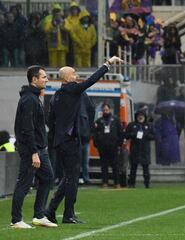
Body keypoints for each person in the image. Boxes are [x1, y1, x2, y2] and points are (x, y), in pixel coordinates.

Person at [45, 56, 123, 224]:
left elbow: (50, 120)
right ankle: (68, 214)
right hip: (69, 140)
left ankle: (51, 210)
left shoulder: (57, 95)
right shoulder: (72, 90)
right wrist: (108, 64)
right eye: (73, 73)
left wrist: (55, 138)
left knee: (68, 177)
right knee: (72, 178)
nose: (76, 75)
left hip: (60, 140)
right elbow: (91, 80)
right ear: (66, 78)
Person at [11, 66, 57, 228]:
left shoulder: (34, 97)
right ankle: (16, 220)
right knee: (24, 183)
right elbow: (27, 128)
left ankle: (39, 216)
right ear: (34, 79)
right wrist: (33, 153)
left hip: (39, 149)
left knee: (48, 177)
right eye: (43, 77)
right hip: (32, 150)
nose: (46, 79)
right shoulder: (29, 99)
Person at [93, 103, 124, 188]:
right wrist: (96, 144)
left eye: (107, 110)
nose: (105, 111)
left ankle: (117, 182)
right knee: (104, 165)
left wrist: (119, 144)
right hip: (102, 147)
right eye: (104, 110)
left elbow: (120, 132)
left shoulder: (116, 120)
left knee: (115, 165)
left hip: (113, 146)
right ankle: (105, 182)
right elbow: (95, 134)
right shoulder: (99, 121)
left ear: (109, 110)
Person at [125, 111, 155, 188]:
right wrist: (132, 134)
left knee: (145, 168)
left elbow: (154, 136)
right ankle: (131, 183)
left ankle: (147, 184)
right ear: (136, 116)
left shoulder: (149, 125)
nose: (140, 117)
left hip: (145, 150)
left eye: (142, 116)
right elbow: (126, 135)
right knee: (133, 168)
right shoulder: (132, 125)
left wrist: (147, 135)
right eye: (139, 116)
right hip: (135, 149)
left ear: (145, 117)